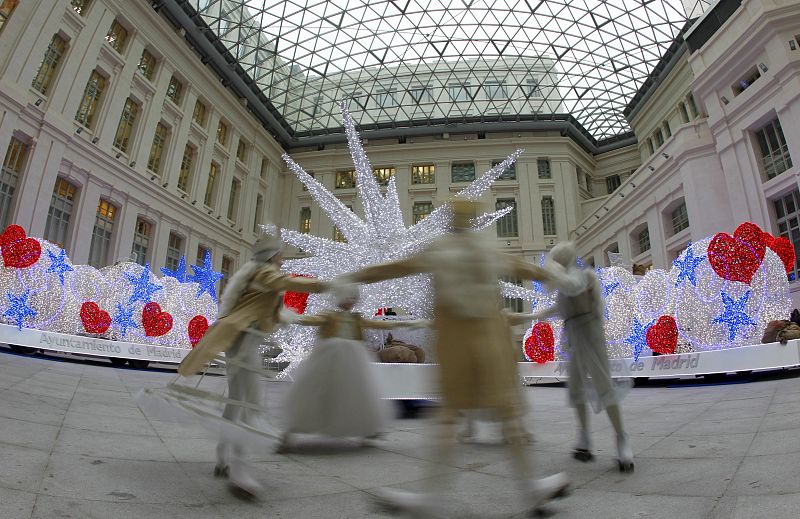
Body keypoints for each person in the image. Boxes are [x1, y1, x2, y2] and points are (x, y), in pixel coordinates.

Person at [339, 199, 569, 515]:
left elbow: (396, 267)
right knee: (505, 417)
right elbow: (522, 266)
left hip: (460, 348)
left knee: (452, 419)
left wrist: (356, 275)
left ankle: (434, 497)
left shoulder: (441, 250)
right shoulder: (483, 251)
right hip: (489, 346)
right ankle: (529, 489)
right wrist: (553, 275)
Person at [178, 231, 328, 498]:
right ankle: (239, 471)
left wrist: (319, 319)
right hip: (243, 345)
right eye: (280, 254)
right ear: (271, 256)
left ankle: (223, 456)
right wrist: (325, 285)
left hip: (243, 344)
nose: (283, 259)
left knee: (238, 402)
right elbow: (286, 281)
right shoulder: (264, 273)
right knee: (250, 404)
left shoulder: (260, 276)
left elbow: (282, 314)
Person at [277, 284, 423, 450]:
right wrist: (292, 317)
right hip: (328, 358)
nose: (349, 301)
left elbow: (376, 324)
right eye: (345, 297)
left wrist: (402, 323)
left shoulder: (356, 318)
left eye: (352, 297)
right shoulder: (329, 316)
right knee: (316, 392)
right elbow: (312, 320)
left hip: (354, 359)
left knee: (359, 392)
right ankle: (292, 432)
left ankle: (368, 429)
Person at [532, 241, 634, 472]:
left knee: (603, 386)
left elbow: (572, 287)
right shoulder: (563, 284)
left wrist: (552, 271)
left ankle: (621, 438)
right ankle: (584, 437)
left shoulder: (583, 276)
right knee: (576, 389)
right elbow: (558, 308)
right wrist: (527, 316)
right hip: (573, 336)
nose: (554, 263)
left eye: (556, 259)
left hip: (590, 334)